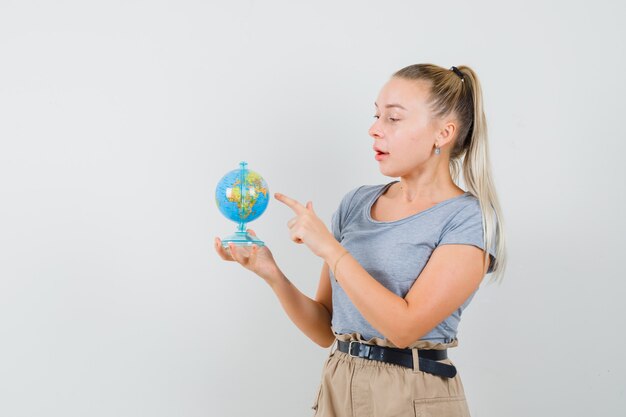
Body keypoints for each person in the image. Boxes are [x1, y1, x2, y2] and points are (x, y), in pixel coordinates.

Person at [214, 63, 507, 417]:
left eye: (393, 119)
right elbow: (326, 329)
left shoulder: (468, 218)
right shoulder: (356, 203)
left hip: (412, 393)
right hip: (340, 382)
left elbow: (404, 328)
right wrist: (271, 272)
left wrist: (331, 250)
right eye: (376, 115)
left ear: (443, 133)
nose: (374, 129)